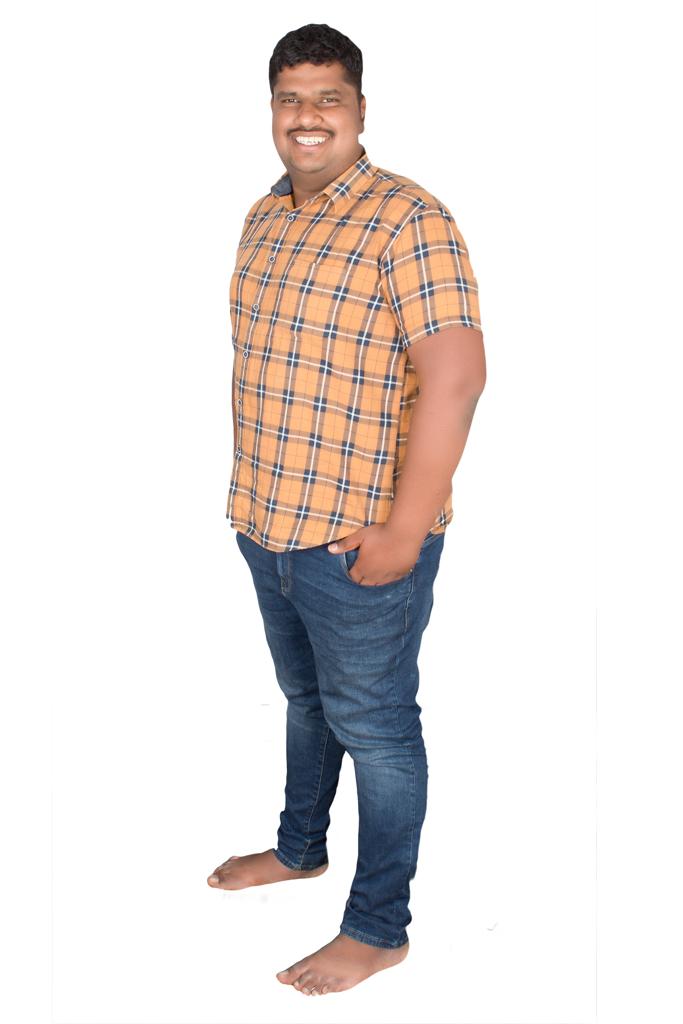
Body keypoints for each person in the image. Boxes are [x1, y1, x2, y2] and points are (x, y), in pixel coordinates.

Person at [208, 22, 486, 997]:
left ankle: (377, 928)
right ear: (272, 110)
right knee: (306, 702)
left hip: (356, 542)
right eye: (291, 98)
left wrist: (404, 530)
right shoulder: (265, 216)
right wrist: (254, 516)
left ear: (360, 110)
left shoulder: (408, 220)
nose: (308, 116)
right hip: (267, 522)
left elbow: (455, 377)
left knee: (376, 728)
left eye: (328, 97)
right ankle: (299, 848)